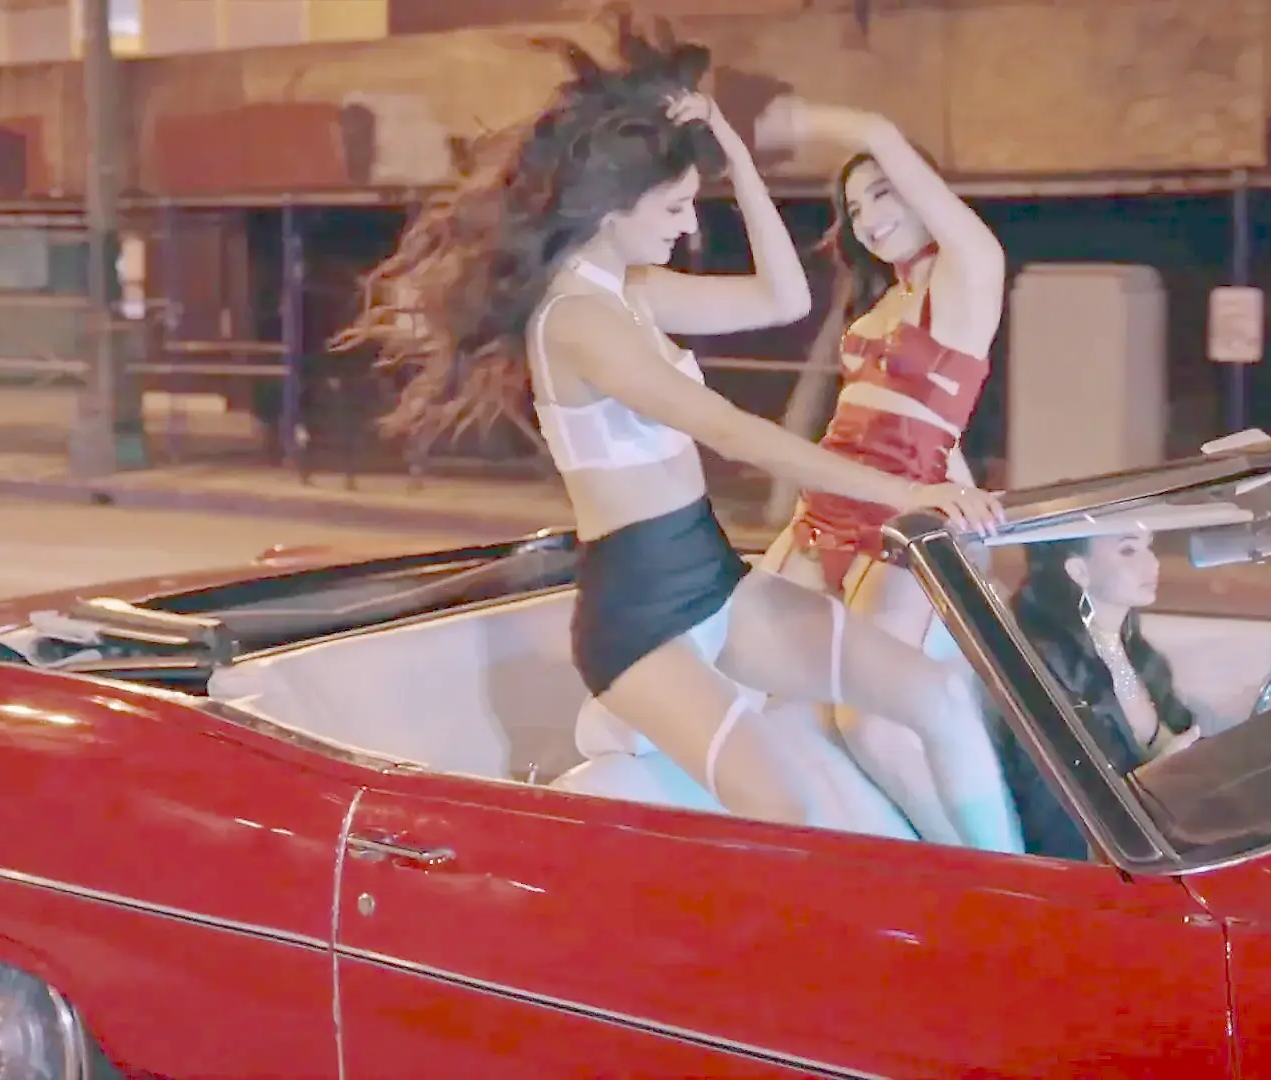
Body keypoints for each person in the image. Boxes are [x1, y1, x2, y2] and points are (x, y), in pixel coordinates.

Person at [334, 8, 1018, 850]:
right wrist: (910, 492)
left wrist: (730, 151)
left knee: (934, 697)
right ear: (614, 206)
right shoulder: (575, 322)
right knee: (791, 809)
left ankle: (1017, 893)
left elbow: (783, 298)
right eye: (676, 206)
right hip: (643, 618)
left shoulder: (634, 293)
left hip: (715, 583)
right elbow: (729, 431)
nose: (691, 227)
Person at [751, 98, 1008, 846]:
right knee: (733, 669)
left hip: (895, 524)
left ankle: (981, 869)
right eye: (855, 207)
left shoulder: (970, 272)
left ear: (923, 186)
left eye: (884, 192)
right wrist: (959, 480)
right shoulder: (887, 298)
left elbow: (878, 134)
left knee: (870, 724)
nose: (867, 218)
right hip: (823, 510)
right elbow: (922, 421)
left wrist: (802, 122)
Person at [997, 529, 1202, 860]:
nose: (1152, 563)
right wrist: (1160, 777)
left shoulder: (1135, 653)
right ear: (1079, 570)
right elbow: (1061, 821)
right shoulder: (1044, 668)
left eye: (1149, 547)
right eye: (1128, 551)